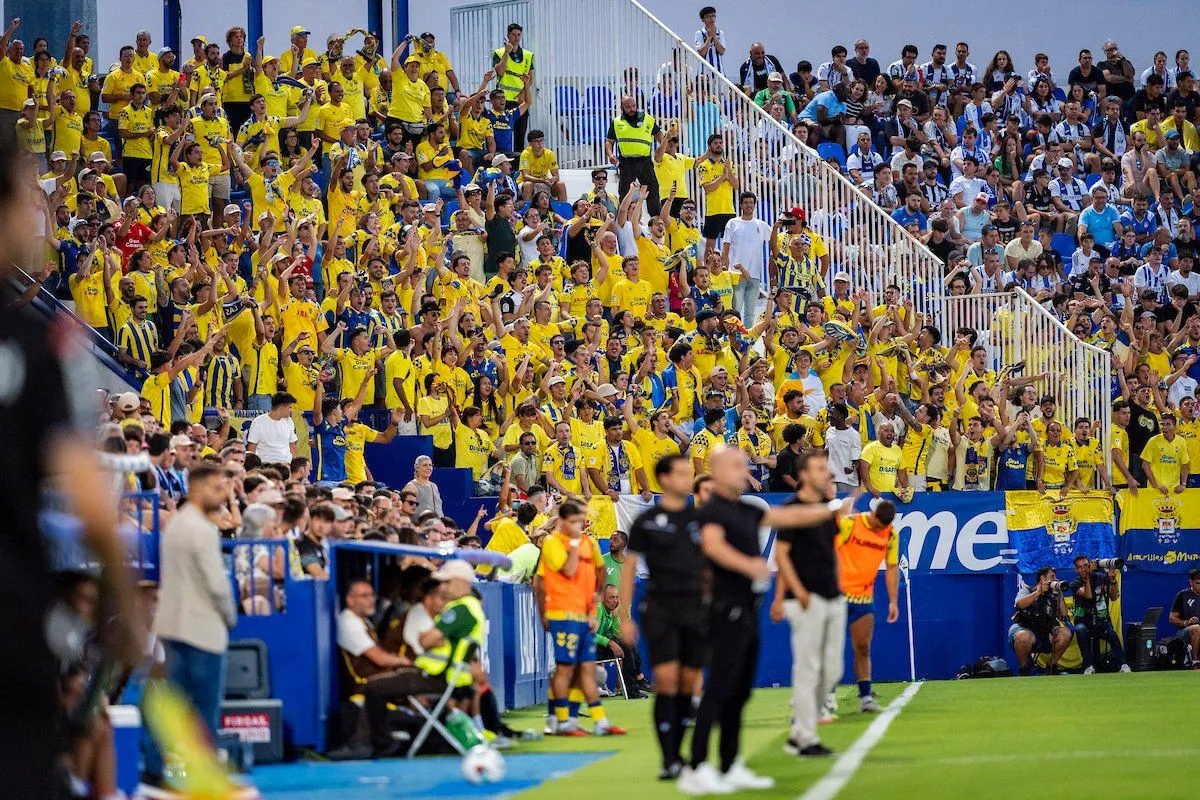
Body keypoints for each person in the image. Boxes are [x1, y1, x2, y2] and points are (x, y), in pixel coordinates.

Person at [680, 446, 846, 794]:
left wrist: (829, 508)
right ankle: (696, 766)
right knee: (720, 690)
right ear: (719, 469)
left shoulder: (745, 508)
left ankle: (729, 763)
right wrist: (748, 566)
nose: (745, 469)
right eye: (738, 465)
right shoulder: (712, 510)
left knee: (740, 693)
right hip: (725, 609)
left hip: (748, 608)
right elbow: (712, 546)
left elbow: (786, 519)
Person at [148, 462, 236, 783]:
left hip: (173, 627)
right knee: (205, 709)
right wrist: (230, 615)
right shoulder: (200, 528)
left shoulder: (177, 523)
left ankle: (156, 768)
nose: (222, 493)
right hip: (202, 630)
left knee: (173, 706)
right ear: (197, 488)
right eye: (216, 488)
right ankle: (206, 776)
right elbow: (216, 583)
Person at [622, 454, 705, 780]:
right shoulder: (647, 520)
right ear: (666, 479)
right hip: (660, 610)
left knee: (687, 684)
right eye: (684, 472)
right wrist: (626, 617)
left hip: (696, 609)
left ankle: (680, 750)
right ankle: (669, 757)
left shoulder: (701, 518)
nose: (690, 477)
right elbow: (629, 568)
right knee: (667, 682)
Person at [771, 451, 853, 758]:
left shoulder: (824, 510)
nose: (825, 473)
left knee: (832, 669)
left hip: (833, 595)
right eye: (819, 468)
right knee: (808, 668)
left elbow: (827, 553)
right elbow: (781, 555)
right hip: (806, 599)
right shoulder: (791, 509)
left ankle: (803, 728)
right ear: (804, 474)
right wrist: (794, 593)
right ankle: (803, 736)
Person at [541, 500, 626, 736]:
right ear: (564, 521)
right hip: (562, 613)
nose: (581, 525)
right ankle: (560, 720)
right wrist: (576, 545)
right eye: (576, 521)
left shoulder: (589, 543)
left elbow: (598, 573)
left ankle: (596, 721)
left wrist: (592, 608)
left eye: (582, 520)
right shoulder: (553, 543)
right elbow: (567, 571)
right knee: (566, 669)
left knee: (587, 669)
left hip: (583, 614)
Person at [830, 500, 899, 716]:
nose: (879, 530)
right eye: (877, 524)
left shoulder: (891, 535)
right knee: (831, 649)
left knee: (862, 647)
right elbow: (827, 553)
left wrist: (893, 600)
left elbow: (891, 567)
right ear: (872, 513)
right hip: (837, 596)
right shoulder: (850, 524)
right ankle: (828, 697)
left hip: (863, 599)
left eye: (883, 527)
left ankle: (866, 697)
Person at [1070, 556, 1131, 674]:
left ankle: (1123, 665)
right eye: (1080, 567)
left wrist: (1113, 580)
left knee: (1112, 633)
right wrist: (1088, 575)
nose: (1083, 569)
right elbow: (1088, 595)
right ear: (1076, 570)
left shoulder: (1101, 578)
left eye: (1085, 566)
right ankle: (1089, 666)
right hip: (1084, 621)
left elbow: (1113, 597)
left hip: (1100, 620)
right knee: (1080, 629)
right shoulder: (1075, 583)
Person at [1008, 566, 1074, 676]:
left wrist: (1060, 594)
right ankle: (1024, 669)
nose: (1056, 579)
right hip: (1025, 629)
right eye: (1052, 577)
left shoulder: (1053, 596)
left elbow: (1063, 614)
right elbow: (1019, 604)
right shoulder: (1027, 590)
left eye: (1056, 577)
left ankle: (1051, 666)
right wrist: (1038, 592)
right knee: (1023, 636)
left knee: (1065, 633)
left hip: (1046, 633)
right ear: (1043, 579)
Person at [606, 94, 663, 216]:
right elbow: (609, 141)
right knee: (625, 192)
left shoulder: (648, 119)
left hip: (645, 161)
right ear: (622, 108)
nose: (631, 109)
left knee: (652, 191)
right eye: (628, 107)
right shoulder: (616, 122)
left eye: (633, 106)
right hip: (627, 163)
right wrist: (610, 155)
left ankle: (655, 219)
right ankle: (624, 220)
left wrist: (663, 148)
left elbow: (659, 135)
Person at [245, 391, 299, 464]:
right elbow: (252, 447)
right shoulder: (258, 422)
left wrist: (294, 466)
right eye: (290, 407)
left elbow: (293, 446)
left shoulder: (289, 422)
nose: (291, 410)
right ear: (282, 407)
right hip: (264, 466)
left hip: (286, 465)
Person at [1168, 568, 1200, 667]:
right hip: (1184, 631)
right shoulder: (1183, 595)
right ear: (1191, 582)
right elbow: (1172, 618)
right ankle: (1195, 661)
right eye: (1198, 583)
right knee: (1197, 628)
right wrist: (1187, 622)